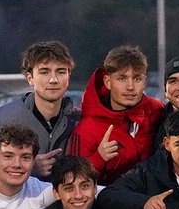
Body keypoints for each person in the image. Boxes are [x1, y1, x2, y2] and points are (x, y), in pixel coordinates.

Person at [0, 40, 80, 179]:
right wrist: (28, 168)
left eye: (60, 72)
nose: (53, 80)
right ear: (30, 78)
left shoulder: (81, 121)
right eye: (44, 72)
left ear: (68, 77)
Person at [68, 44, 165, 185]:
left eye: (137, 79)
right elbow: (72, 182)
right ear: (107, 82)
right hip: (105, 204)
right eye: (122, 79)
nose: (130, 87)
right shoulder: (86, 129)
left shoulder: (156, 110)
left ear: (145, 82)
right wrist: (99, 159)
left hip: (153, 201)